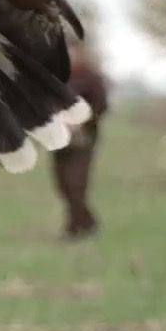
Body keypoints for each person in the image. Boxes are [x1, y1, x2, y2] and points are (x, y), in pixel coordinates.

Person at [51, 40, 109, 238]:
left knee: (76, 184)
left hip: (84, 139)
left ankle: (75, 228)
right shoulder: (55, 77)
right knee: (62, 185)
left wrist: (81, 120)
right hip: (59, 139)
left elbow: (101, 105)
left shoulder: (91, 77)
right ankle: (87, 222)